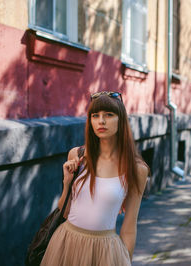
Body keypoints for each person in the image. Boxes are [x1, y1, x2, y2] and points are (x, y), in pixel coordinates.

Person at [40, 91, 149, 266]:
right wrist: (67, 183)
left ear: (121, 120)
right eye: (95, 115)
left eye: (109, 115)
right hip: (66, 243)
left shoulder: (136, 169)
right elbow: (66, 212)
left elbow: (129, 227)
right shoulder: (77, 155)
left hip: (104, 250)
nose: (101, 121)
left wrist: (127, 259)